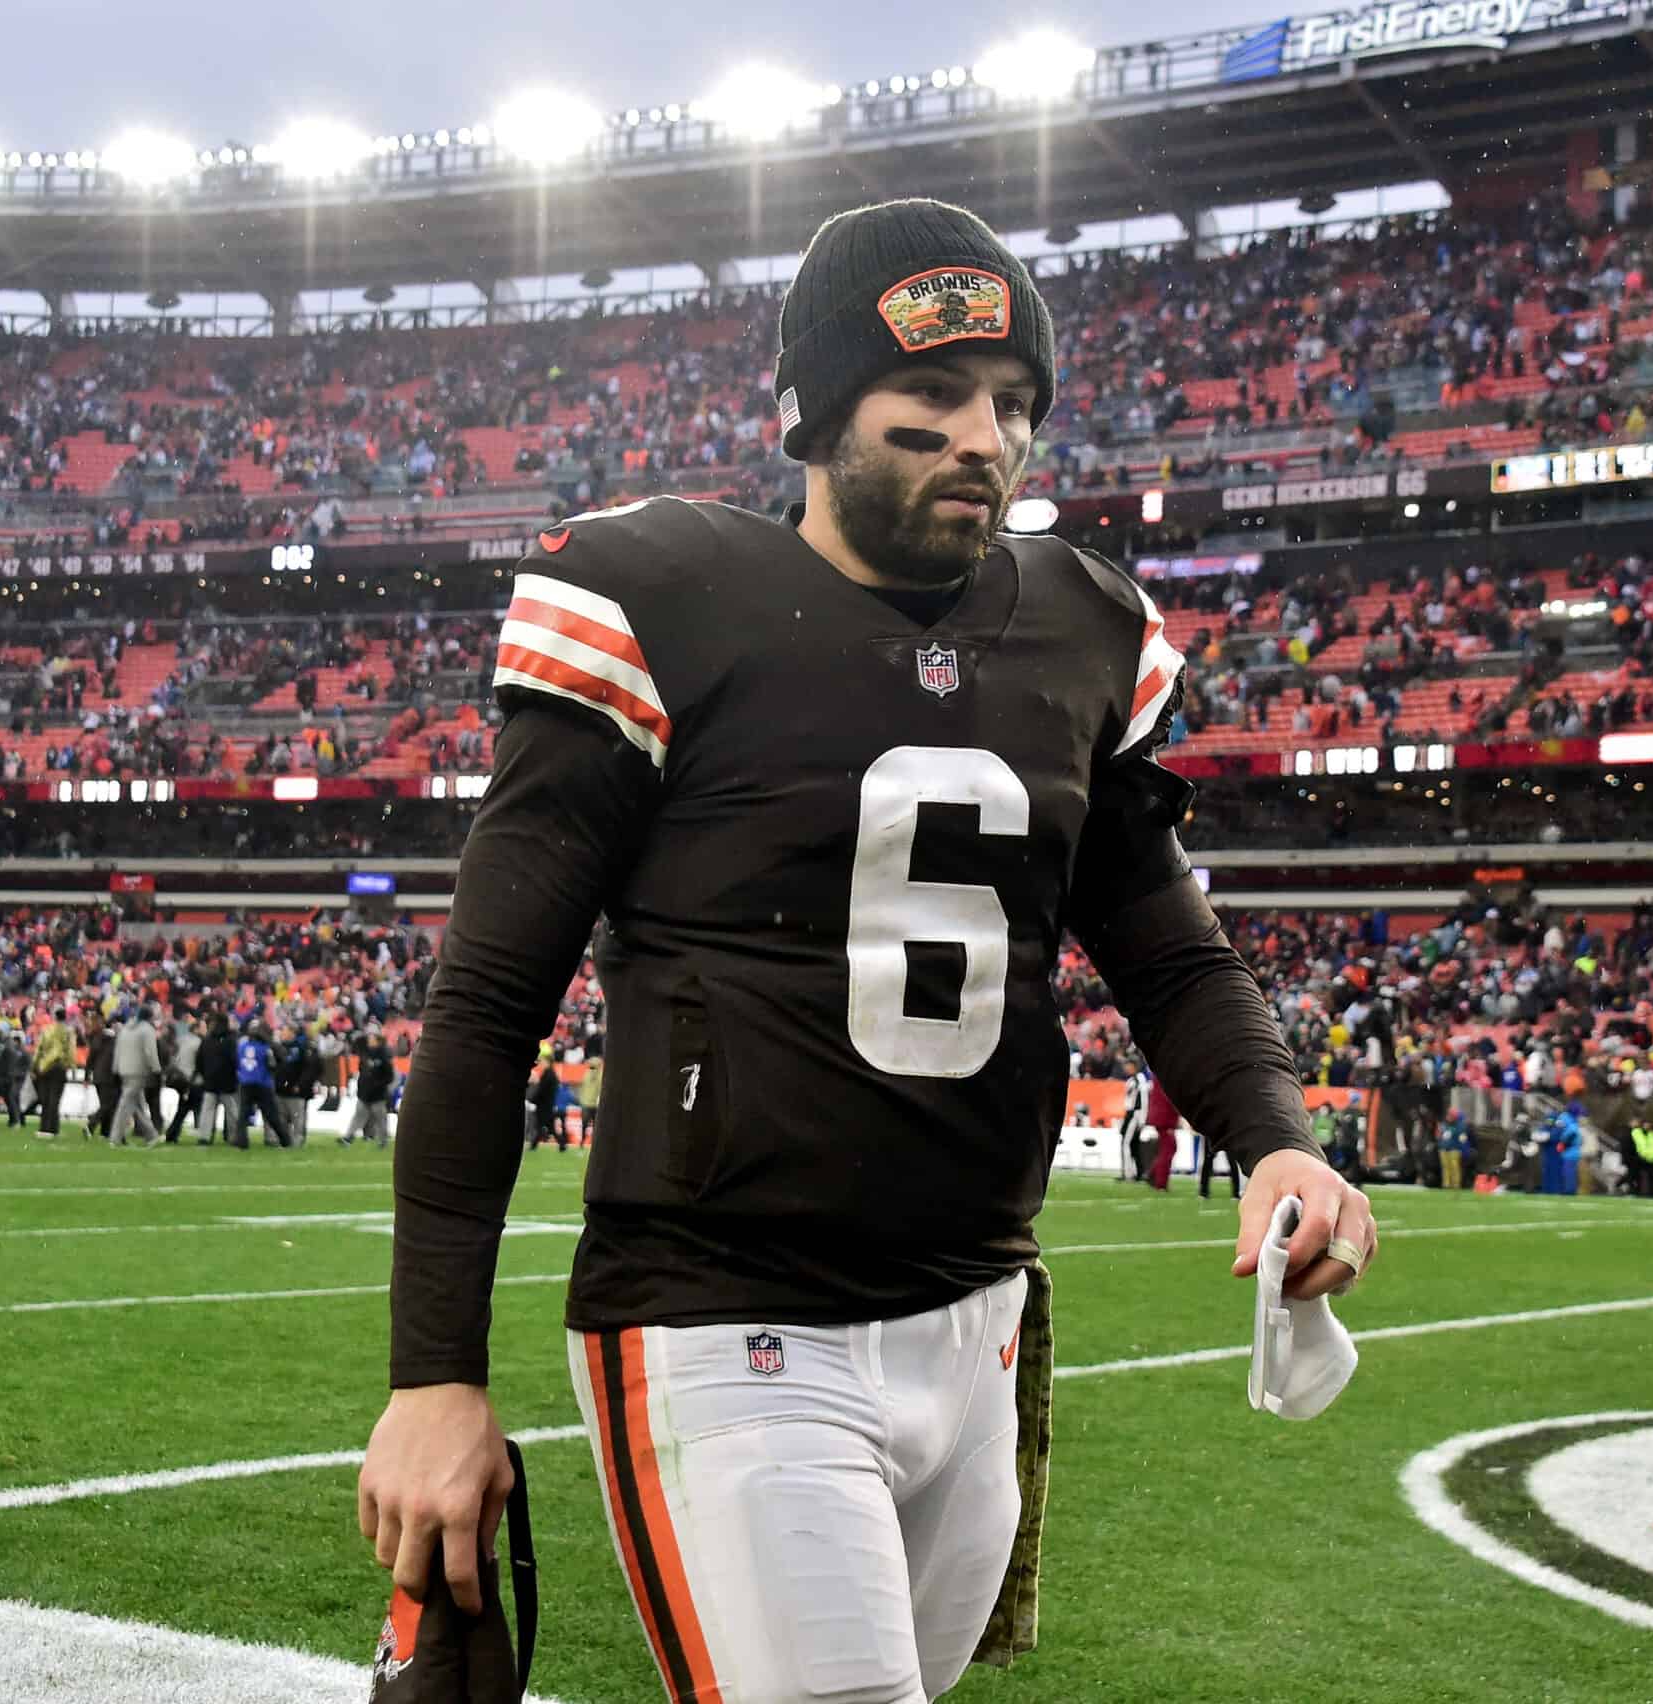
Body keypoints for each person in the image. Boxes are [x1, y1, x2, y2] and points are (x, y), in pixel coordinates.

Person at [359, 197, 1373, 1704]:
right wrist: (433, 1376)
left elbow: (1166, 949)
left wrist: (1276, 1140)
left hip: (978, 1311)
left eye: (1016, 405)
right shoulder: (665, 598)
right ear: (818, 418)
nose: (988, 438)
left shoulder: (1081, 627)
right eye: (935, 403)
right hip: (725, 1306)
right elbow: (490, 1004)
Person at [110, 1003, 165, 1147]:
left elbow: (118, 1050)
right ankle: (115, 1137)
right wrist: (156, 1069)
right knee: (126, 1104)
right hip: (138, 1071)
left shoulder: (125, 1029)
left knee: (137, 1104)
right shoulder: (147, 1030)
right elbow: (150, 1052)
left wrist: (116, 1068)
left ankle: (151, 1135)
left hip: (123, 1070)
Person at [234, 1021, 290, 1148]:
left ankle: (242, 1141)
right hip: (263, 1083)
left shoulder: (242, 1046)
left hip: (246, 1082)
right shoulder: (266, 1048)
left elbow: (238, 1063)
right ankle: (285, 1140)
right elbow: (274, 1064)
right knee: (272, 1115)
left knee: (243, 1114)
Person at [32, 1008, 79, 1139]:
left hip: (44, 1067)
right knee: (55, 1099)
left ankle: (43, 1127)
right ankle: (53, 1128)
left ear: (54, 1016)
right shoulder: (68, 1031)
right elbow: (71, 1051)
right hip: (59, 1067)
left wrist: (34, 1067)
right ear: (65, 1017)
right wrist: (72, 1067)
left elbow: (38, 1049)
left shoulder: (47, 1030)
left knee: (45, 1099)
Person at [195, 1012, 240, 1145]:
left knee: (207, 1111)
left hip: (210, 1081)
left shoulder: (207, 1039)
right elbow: (235, 1060)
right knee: (232, 1112)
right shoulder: (232, 1040)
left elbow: (199, 1061)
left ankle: (204, 1137)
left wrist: (205, 1074)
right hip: (228, 1082)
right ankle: (234, 1137)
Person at [348, 1031, 398, 1149]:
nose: (369, 1041)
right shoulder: (365, 1054)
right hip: (364, 1092)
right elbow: (362, 1072)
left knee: (380, 1119)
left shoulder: (384, 1055)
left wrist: (379, 1085)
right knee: (358, 1116)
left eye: (372, 1039)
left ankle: (383, 1141)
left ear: (378, 1041)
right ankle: (348, 1137)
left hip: (378, 1094)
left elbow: (389, 1076)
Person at [162, 1008, 205, 1142]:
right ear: (196, 1029)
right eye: (204, 1027)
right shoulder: (199, 1043)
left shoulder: (181, 1040)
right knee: (195, 1107)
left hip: (180, 1078)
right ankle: (202, 1135)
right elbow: (200, 1063)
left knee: (183, 1108)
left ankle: (172, 1134)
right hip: (193, 1080)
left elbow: (173, 1057)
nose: (206, 1030)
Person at [274, 1020, 319, 1148]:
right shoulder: (279, 1047)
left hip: (296, 1090)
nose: (282, 1033)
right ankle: (285, 1141)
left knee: (297, 1118)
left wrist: (301, 1085)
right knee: (282, 1118)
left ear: (292, 1033)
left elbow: (310, 1069)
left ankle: (298, 1142)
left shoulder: (303, 1048)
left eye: (284, 1030)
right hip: (281, 1089)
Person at [1145, 1071, 1183, 1190]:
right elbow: (1170, 1100)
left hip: (1160, 1117)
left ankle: (1152, 1175)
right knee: (1168, 1149)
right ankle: (1160, 1182)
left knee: (1167, 1148)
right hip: (1165, 1118)